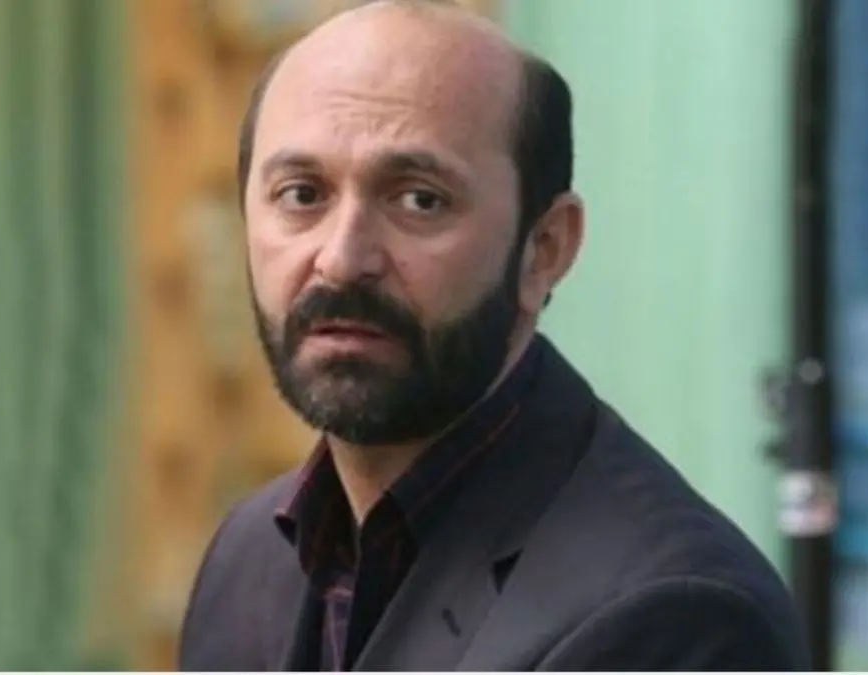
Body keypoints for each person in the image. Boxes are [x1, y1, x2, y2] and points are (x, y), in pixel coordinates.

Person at [177, 0, 810, 670]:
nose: (341, 258)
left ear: (545, 248)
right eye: (302, 194)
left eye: (419, 199)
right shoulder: (247, 557)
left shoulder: (675, 614)